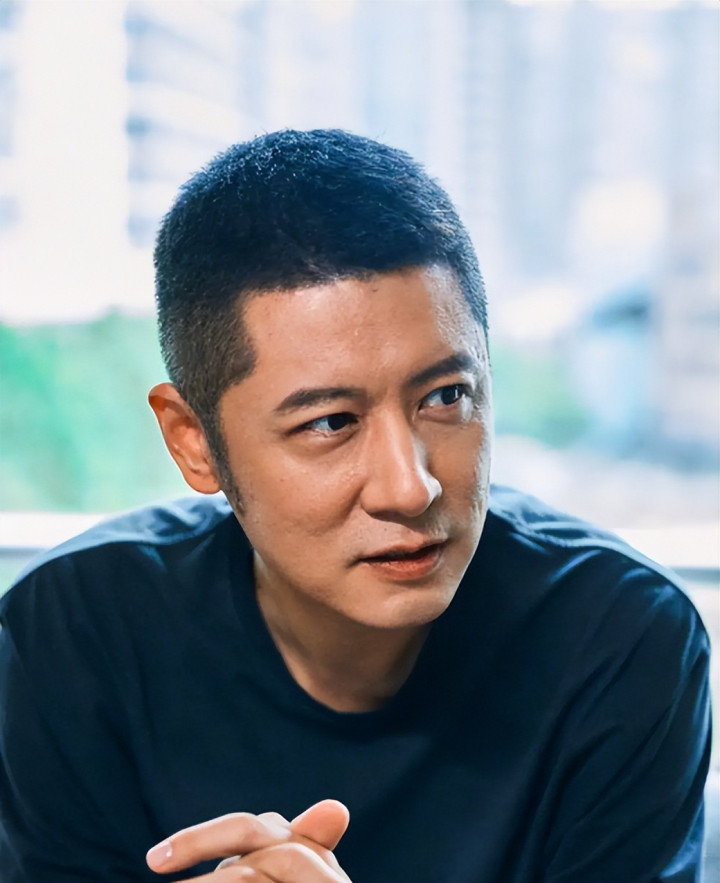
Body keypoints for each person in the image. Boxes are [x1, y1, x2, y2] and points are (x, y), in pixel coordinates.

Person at [0, 129, 710, 883]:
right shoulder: (66, 638)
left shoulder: (619, 634)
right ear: (194, 441)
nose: (410, 488)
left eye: (446, 396)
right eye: (330, 422)